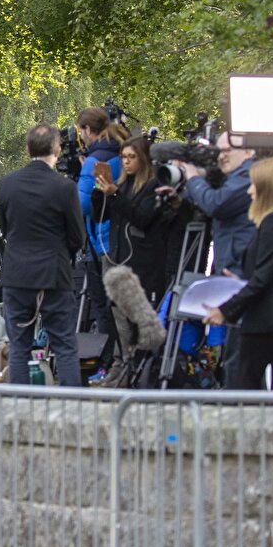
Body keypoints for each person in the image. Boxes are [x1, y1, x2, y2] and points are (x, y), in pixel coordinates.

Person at [202, 157, 273, 390]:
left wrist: (224, 310)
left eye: (253, 185)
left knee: (245, 382)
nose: (250, 191)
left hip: (268, 317)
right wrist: (244, 281)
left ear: (266, 188)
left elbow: (264, 279)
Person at [0, 124, 87, 386]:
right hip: (55, 275)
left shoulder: (7, 185)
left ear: (27, 149)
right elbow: (77, 237)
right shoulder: (65, 187)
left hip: (17, 275)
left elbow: (6, 229)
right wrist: (61, 255)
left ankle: (22, 407)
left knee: (19, 347)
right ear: (57, 150)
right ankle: (72, 408)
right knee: (65, 345)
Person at [172, 131, 257, 385]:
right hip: (232, 273)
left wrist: (194, 178)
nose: (221, 157)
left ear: (249, 152)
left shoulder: (248, 177)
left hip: (242, 276)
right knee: (235, 356)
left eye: (227, 150)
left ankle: (238, 415)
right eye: (218, 151)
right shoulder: (233, 177)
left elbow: (216, 204)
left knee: (239, 359)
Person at [93, 136, 170, 381]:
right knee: (117, 315)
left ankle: (140, 370)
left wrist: (115, 195)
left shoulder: (153, 186)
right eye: (123, 157)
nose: (126, 162)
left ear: (143, 159)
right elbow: (101, 216)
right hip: (119, 260)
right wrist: (101, 192)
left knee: (138, 319)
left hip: (143, 264)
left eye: (131, 157)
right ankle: (123, 365)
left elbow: (142, 218)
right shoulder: (122, 185)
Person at [76, 107, 129, 375]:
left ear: (86, 130)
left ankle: (108, 364)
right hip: (123, 238)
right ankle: (123, 361)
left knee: (105, 305)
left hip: (102, 240)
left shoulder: (96, 159)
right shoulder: (121, 149)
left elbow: (82, 204)